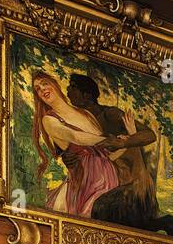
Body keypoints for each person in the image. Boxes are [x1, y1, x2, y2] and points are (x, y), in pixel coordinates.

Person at [66, 73, 173, 236]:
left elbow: (149, 135)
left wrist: (123, 142)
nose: (68, 90)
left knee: (100, 211)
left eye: (73, 87)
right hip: (104, 183)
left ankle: (166, 225)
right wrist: (67, 157)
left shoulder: (109, 115)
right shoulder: (78, 122)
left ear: (87, 95)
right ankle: (164, 223)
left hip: (131, 183)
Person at [30, 70, 118, 217]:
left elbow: (108, 154)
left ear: (55, 85)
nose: (42, 89)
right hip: (85, 182)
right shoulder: (50, 120)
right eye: (38, 89)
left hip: (109, 177)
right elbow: (75, 136)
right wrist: (107, 140)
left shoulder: (86, 114)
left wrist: (126, 140)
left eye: (45, 84)